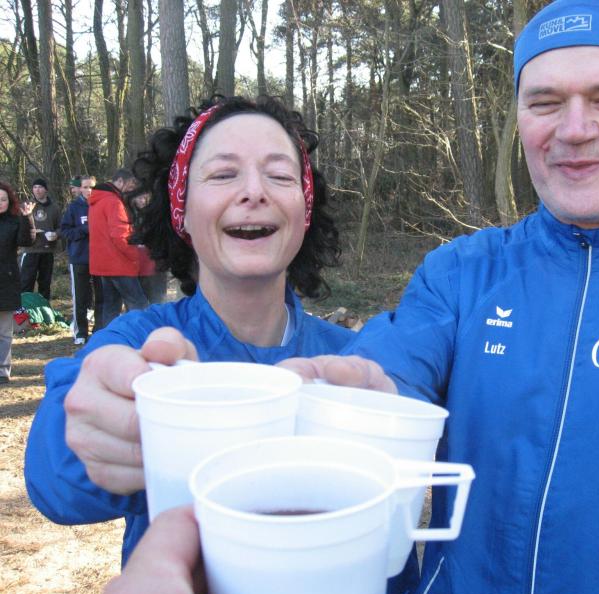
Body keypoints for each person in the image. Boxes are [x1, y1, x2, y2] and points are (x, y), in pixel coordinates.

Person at [279, 1, 599, 594]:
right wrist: (368, 399)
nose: (574, 130)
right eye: (545, 103)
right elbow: (396, 365)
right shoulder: (460, 275)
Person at [24, 95, 354, 566]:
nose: (254, 191)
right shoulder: (139, 344)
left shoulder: (354, 362)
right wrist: (94, 432)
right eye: (222, 174)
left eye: (280, 176)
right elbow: (56, 482)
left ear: (304, 210)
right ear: (182, 210)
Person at [87, 168, 149, 328]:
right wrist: (137, 256)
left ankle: (109, 339)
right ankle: (143, 337)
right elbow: (120, 237)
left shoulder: (97, 201)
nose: (132, 189)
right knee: (139, 305)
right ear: (120, 181)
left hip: (103, 264)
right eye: (131, 184)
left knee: (111, 307)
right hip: (119, 264)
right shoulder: (114, 202)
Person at [0, 181, 35, 384]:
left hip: (6, 280)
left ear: (9, 201)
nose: (0, 203)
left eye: (3, 199)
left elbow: (27, 240)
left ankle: (3, 371)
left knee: (4, 331)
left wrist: (27, 217)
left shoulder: (14, 221)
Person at [60, 175, 96, 345]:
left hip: (100, 259)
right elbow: (65, 231)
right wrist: (84, 230)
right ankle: (80, 332)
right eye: (86, 187)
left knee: (100, 297)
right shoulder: (74, 207)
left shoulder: (100, 204)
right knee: (80, 297)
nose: (89, 190)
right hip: (79, 258)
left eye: (92, 187)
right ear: (80, 189)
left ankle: (99, 330)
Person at [19, 177, 61, 300]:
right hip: (30, 250)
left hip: (47, 251)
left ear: (46, 190)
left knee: (45, 284)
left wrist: (56, 234)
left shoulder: (54, 208)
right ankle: (24, 309)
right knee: (26, 283)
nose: (37, 190)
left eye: (40, 187)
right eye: (35, 187)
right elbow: (19, 227)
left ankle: (44, 308)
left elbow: (61, 227)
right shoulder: (27, 206)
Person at [126, 187, 168, 305]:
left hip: (156, 264)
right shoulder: (127, 215)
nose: (143, 201)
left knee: (158, 300)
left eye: (146, 198)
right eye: (140, 197)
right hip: (136, 265)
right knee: (139, 303)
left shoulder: (157, 215)